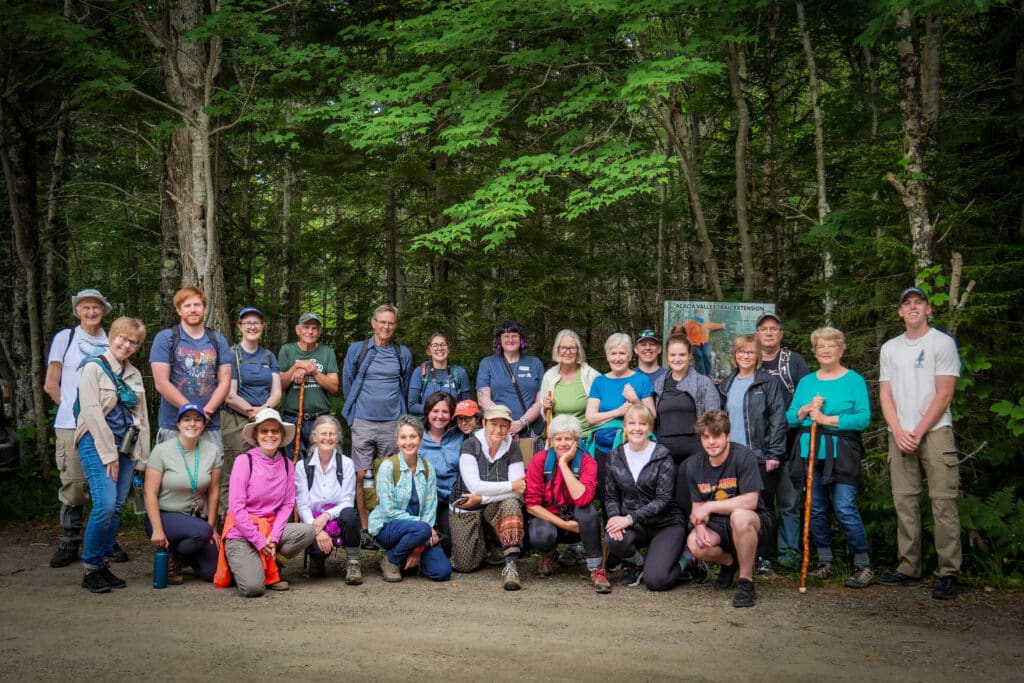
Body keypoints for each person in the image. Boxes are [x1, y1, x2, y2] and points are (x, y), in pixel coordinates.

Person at [878, 287, 962, 600]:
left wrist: (918, 430)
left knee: (942, 501)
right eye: (907, 304)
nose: (913, 308)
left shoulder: (941, 343)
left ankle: (949, 571)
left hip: (936, 430)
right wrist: (898, 430)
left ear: (927, 309)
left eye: (918, 303)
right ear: (900, 312)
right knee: (905, 501)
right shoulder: (890, 348)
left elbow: (944, 394)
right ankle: (909, 567)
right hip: (899, 432)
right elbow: (885, 394)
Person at [786, 327, 874, 588]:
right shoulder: (807, 382)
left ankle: (863, 564)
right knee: (816, 509)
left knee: (845, 506)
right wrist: (804, 409)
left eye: (831, 346)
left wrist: (827, 419)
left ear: (841, 349)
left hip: (842, 452)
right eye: (820, 347)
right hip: (810, 451)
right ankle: (825, 561)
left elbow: (863, 418)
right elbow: (790, 418)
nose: (825, 351)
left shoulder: (853, 380)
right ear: (815, 351)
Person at [75, 317, 150, 593]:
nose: (127, 345)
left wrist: (142, 458)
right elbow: (92, 413)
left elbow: (142, 417)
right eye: (123, 338)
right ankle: (91, 569)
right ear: (112, 336)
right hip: (97, 445)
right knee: (104, 504)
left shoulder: (134, 375)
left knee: (117, 507)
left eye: (134, 342)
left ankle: (103, 564)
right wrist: (109, 456)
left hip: (127, 446)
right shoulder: (92, 368)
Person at [45, 288, 114, 568]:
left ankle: (106, 542)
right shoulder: (66, 338)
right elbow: (51, 383)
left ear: (103, 311)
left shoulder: (111, 340)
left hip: (107, 426)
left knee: (106, 483)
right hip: (70, 425)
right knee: (74, 483)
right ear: (77, 311)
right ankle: (69, 543)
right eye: (85, 308)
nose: (91, 312)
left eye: (96, 307)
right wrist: (71, 408)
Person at [216, 408, 315, 597]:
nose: (270, 435)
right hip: (242, 532)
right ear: (256, 435)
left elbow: (286, 505)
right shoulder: (244, 461)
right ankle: (249, 566)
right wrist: (259, 541)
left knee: (308, 531)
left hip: (270, 529)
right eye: (264, 431)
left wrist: (274, 538)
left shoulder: (287, 465)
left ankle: (271, 563)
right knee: (254, 589)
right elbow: (236, 507)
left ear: (281, 435)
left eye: (275, 431)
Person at [342, 304, 414, 545]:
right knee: (362, 475)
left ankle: (383, 524)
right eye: (382, 322)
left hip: (392, 423)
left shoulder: (401, 353)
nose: (386, 327)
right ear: (373, 323)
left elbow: (404, 386)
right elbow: (348, 383)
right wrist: (351, 416)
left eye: (390, 323)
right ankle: (364, 529)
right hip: (362, 420)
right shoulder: (358, 350)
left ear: (395, 325)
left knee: (388, 475)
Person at [685, 410, 770, 608]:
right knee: (694, 543)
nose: (711, 442)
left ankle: (746, 581)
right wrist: (700, 527)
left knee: (739, 517)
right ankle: (729, 562)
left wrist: (710, 505)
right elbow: (697, 508)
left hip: (752, 520)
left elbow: (751, 501)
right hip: (717, 524)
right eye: (706, 437)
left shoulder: (744, 456)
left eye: (716, 436)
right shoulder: (693, 466)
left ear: (727, 436)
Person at [717, 334, 786, 577]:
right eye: (741, 352)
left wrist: (774, 452)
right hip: (731, 458)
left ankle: (764, 557)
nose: (745, 356)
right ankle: (737, 556)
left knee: (763, 508)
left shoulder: (767, 383)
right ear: (734, 355)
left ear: (758, 357)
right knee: (735, 508)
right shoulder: (726, 385)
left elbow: (778, 419)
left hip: (759, 456)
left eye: (750, 352)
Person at [603, 404, 685, 591]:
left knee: (656, 581)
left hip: (666, 523)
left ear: (650, 428)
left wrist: (629, 519)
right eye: (632, 423)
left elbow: (663, 500)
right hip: (636, 525)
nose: (637, 428)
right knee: (613, 538)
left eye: (643, 423)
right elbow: (610, 496)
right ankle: (640, 563)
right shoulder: (615, 456)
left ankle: (688, 560)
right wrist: (615, 518)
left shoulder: (662, 456)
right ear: (624, 427)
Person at [524, 414, 610, 593]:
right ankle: (549, 555)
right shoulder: (540, 460)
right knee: (541, 534)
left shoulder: (587, 461)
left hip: (578, 522)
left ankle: (596, 568)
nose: (563, 443)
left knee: (588, 512)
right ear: (551, 440)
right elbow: (532, 504)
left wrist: (563, 464)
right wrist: (563, 524)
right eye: (558, 439)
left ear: (576, 440)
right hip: (551, 520)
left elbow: (583, 499)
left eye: (568, 439)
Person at [449, 405, 527, 590]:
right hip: (466, 505)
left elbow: (518, 491)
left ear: (509, 428)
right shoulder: (470, 445)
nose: (498, 430)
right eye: (493, 424)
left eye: (503, 425)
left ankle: (510, 565)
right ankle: (486, 546)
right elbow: (474, 486)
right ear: (483, 423)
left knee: (511, 503)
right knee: (465, 566)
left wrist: (482, 499)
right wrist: (509, 486)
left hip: (490, 505)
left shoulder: (513, 448)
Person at [755, 311, 810, 569]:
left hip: (789, 441)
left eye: (773, 328)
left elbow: (806, 400)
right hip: (757, 446)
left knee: (788, 501)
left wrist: (787, 424)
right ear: (757, 334)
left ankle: (789, 554)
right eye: (764, 328)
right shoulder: (750, 361)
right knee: (760, 502)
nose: (768, 332)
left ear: (781, 334)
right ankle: (762, 555)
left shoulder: (794, 362)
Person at [143, 403, 222, 584]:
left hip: (196, 521)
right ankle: (174, 554)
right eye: (187, 419)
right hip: (165, 516)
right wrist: (157, 529)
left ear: (203, 424)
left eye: (197, 420)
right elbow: (149, 492)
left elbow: (214, 491)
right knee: (200, 532)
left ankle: (181, 556)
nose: (192, 424)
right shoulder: (161, 450)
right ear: (178, 424)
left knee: (214, 573)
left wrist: (212, 529)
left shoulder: (213, 451)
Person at [368, 416, 452, 583]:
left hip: (419, 533)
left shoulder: (428, 468)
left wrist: (418, 548)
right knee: (422, 529)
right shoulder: (388, 466)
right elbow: (388, 511)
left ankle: (409, 558)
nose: (408, 442)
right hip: (388, 528)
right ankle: (391, 560)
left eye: (413, 437)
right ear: (397, 441)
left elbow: (430, 507)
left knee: (442, 571)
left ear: (421, 440)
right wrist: (424, 527)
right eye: (403, 437)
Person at [149, 287, 232, 450]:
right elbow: (161, 383)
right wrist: (192, 412)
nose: (193, 309)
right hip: (174, 423)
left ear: (204, 309)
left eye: (197, 305)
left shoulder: (218, 340)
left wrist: (206, 411)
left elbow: (225, 381)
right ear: (179, 310)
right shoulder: (166, 338)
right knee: (172, 473)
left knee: (210, 472)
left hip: (210, 423)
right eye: (187, 306)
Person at [221, 306, 281, 513]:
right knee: (233, 471)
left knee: (263, 471)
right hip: (236, 420)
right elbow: (230, 395)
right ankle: (228, 519)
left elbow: (276, 393)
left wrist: (263, 412)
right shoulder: (231, 354)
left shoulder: (269, 356)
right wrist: (251, 412)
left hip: (264, 421)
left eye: (256, 323)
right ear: (239, 326)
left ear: (263, 326)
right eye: (247, 323)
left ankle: (259, 517)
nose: (252, 327)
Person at [586, 333, 656, 494]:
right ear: (607, 356)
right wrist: (619, 411)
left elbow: (652, 417)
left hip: (634, 446)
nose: (618, 358)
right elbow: (590, 418)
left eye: (622, 353)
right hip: (603, 449)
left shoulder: (641, 380)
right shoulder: (599, 382)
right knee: (606, 493)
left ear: (630, 356)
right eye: (613, 353)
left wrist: (636, 400)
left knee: (631, 493)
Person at [294, 415, 361, 585]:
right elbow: (302, 506)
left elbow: (347, 500)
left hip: (336, 518)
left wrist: (327, 516)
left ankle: (353, 562)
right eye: (323, 434)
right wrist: (317, 529)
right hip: (313, 520)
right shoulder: (302, 466)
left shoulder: (346, 464)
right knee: (316, 554)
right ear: (314, 437)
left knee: (349, 515)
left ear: (337, 437)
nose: (327, 438)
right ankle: (317, 559)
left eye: (332, 434)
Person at [279, 312, 340, 460]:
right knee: (293, 463)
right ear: (298, 330)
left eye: (314, 328)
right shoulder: (287, 350)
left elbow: (334, 386)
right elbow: (279, 384)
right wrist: (297, 366)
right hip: (293, 418)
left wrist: (313, 371)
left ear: (319, 332)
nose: (310, 332)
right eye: (306, 327)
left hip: (320, 419)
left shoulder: (327, 352)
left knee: (321, 462)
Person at [654, 331, 721, 466]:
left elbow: (714, 419)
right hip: (663, 452)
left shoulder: (703, 383)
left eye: (682, 354)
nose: (677, 359)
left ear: (690, 355)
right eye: (673, 355)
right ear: (667, 357)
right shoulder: (659, 383)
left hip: (695, 450)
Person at [418, 392, 463, 556]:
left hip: (450, 499)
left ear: (451, 415)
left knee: (448, 545)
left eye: (445, 412)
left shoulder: (460, 436)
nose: (440, 416)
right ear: (427, 413)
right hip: (425, 500)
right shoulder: (416, 437)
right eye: (435, 411)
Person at [540, 329, 600, 437]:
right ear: (557, 350)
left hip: (585, 438)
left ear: (578, 350)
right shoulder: (549, 376)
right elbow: (545, 415)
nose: (568, 352)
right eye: (563, 348)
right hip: (558, 439)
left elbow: (602, 407)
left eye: (572, 348)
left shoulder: (590, 375)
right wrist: (545, 407)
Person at [407, 332, 471, 415]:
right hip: (427, 425)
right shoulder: (420, 372)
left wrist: (449, 413)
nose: (440, 348)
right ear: (429, 350)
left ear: (449, 349)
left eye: (443, 344)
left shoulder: (460, 373)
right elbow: (412, 406)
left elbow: (467, 404)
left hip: (453, 424)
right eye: (435, 345)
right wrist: (436, 411)